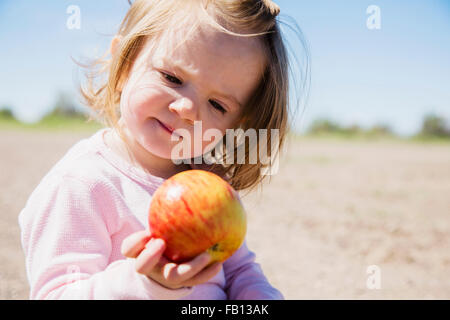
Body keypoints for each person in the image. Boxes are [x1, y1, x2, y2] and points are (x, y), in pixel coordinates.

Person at [19, 0, 307, 299]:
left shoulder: (208, 185)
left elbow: (239, 271)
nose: (187, 110)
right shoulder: (82, 183)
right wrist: (143, 282)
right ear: (124, 65)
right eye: (172, 78)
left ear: (235, 125)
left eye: (217, 105)